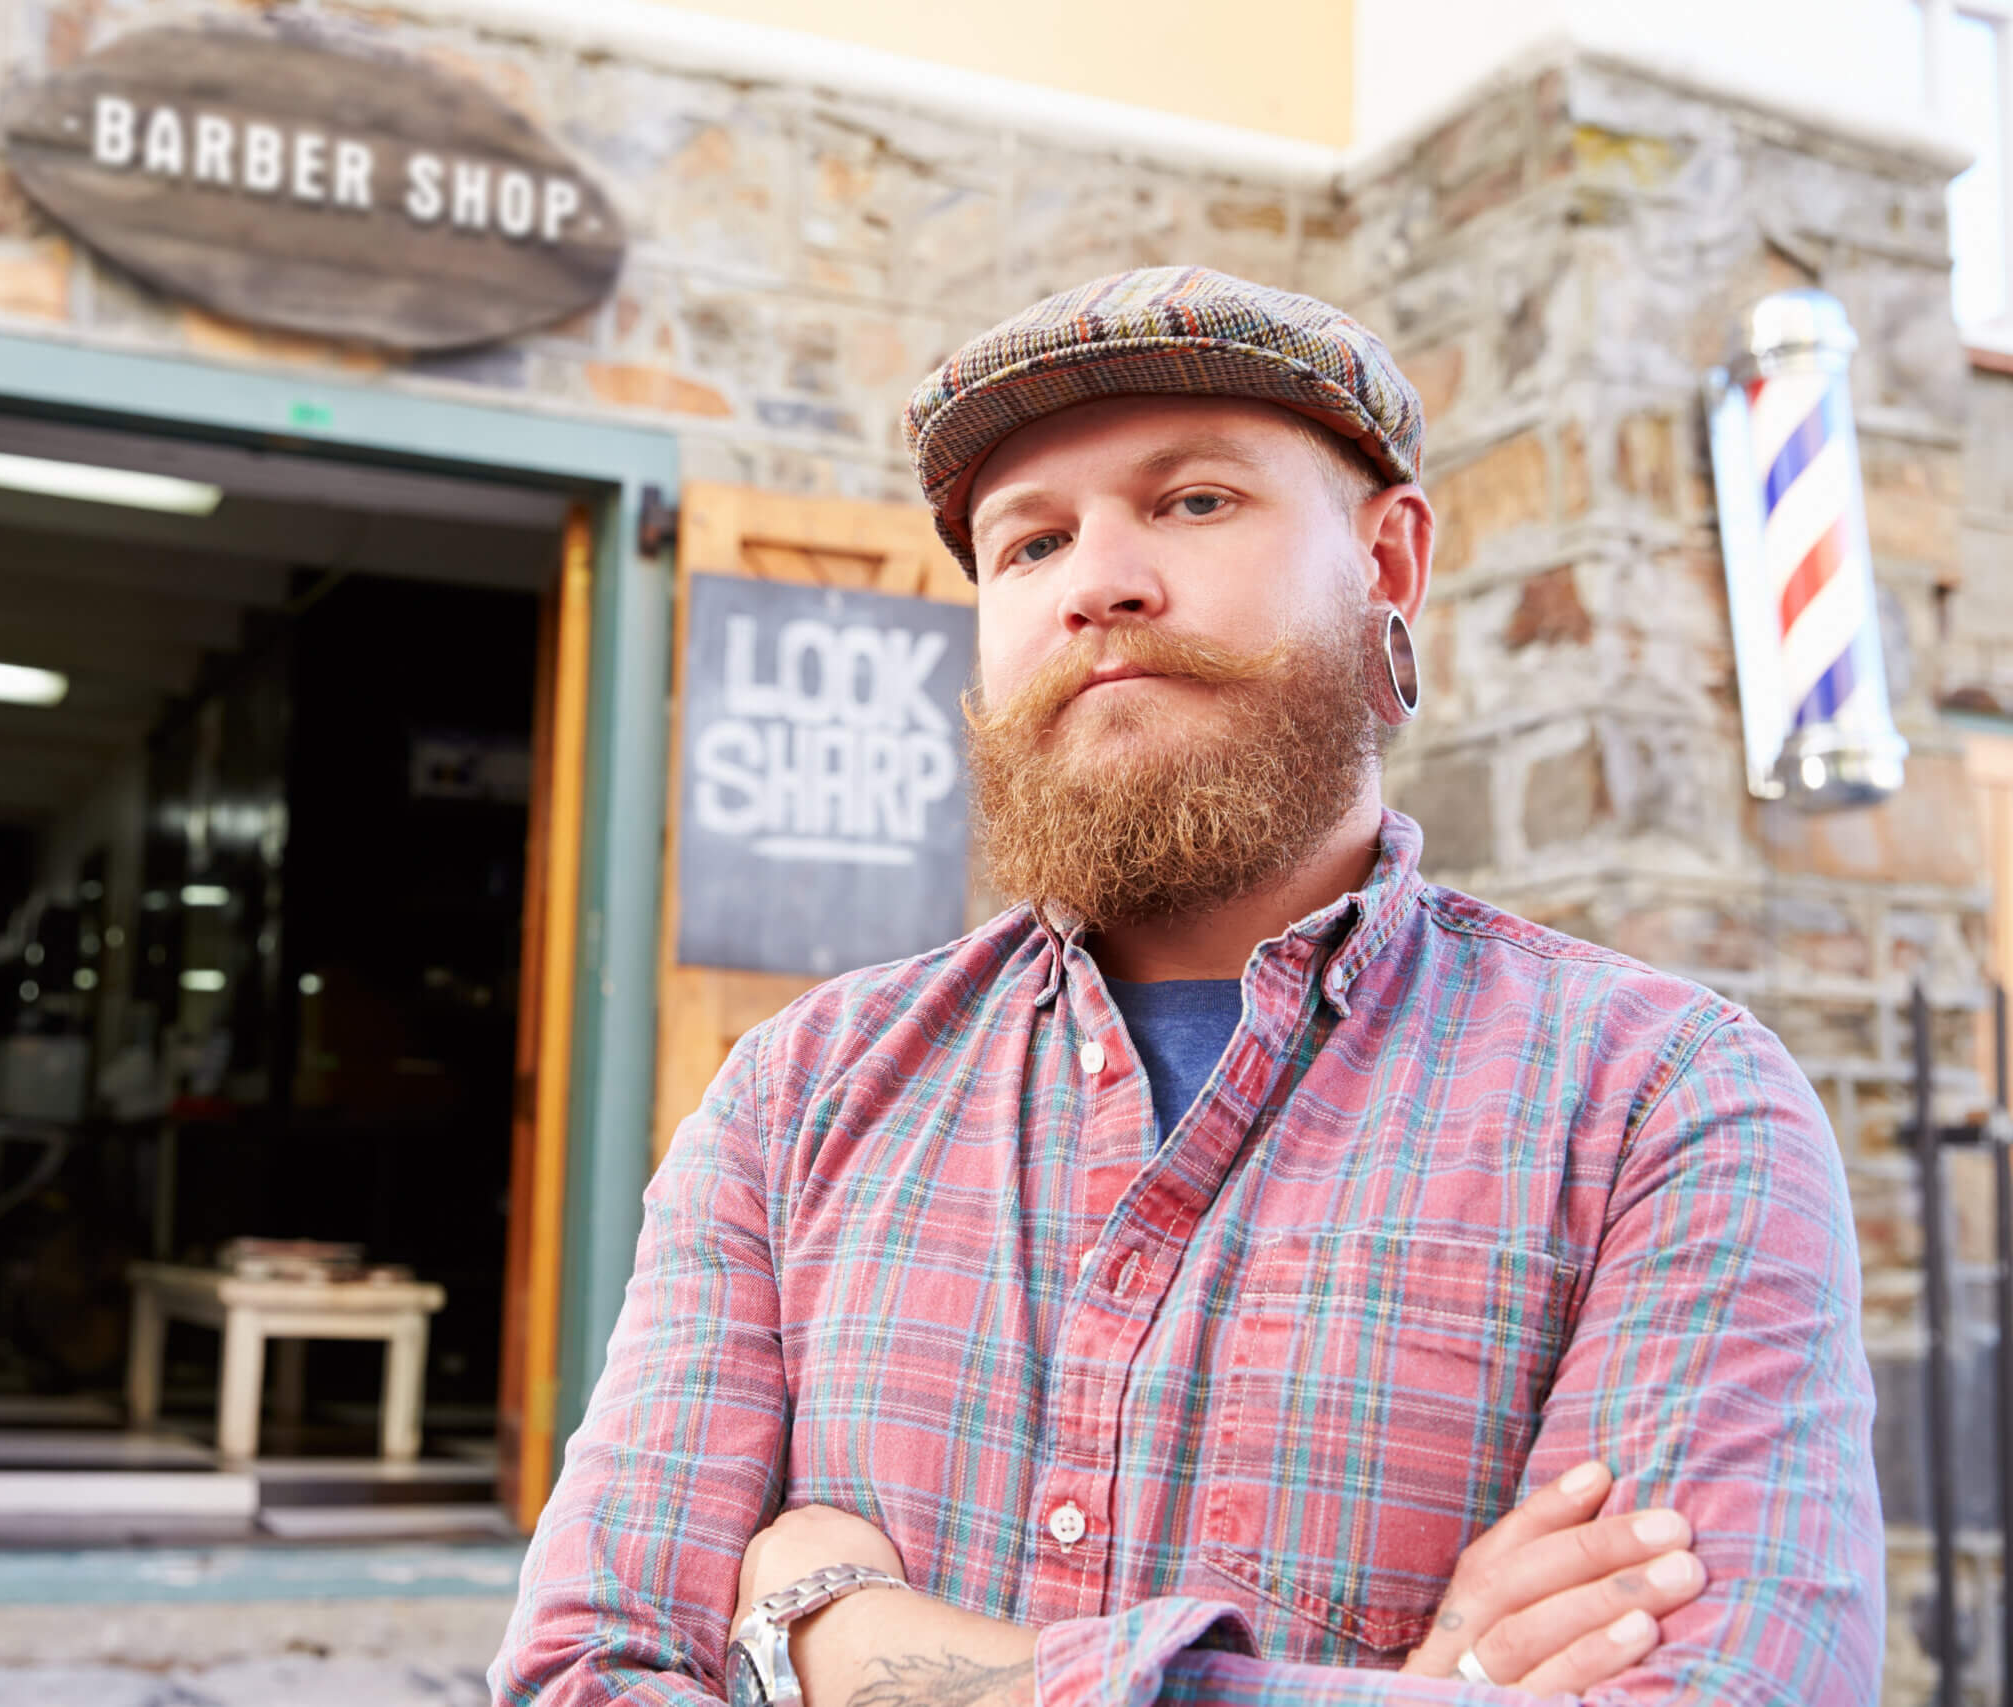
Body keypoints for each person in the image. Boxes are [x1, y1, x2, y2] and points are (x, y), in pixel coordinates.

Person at [489, 267, 1880, 1704]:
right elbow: (588, 1671)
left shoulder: (1664, 1103)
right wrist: (1427, 1687)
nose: (1097, 582)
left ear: (1390, 564)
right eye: (1028, 546)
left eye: (1193, 501)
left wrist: (845, 1651)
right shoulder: (799, 1094)